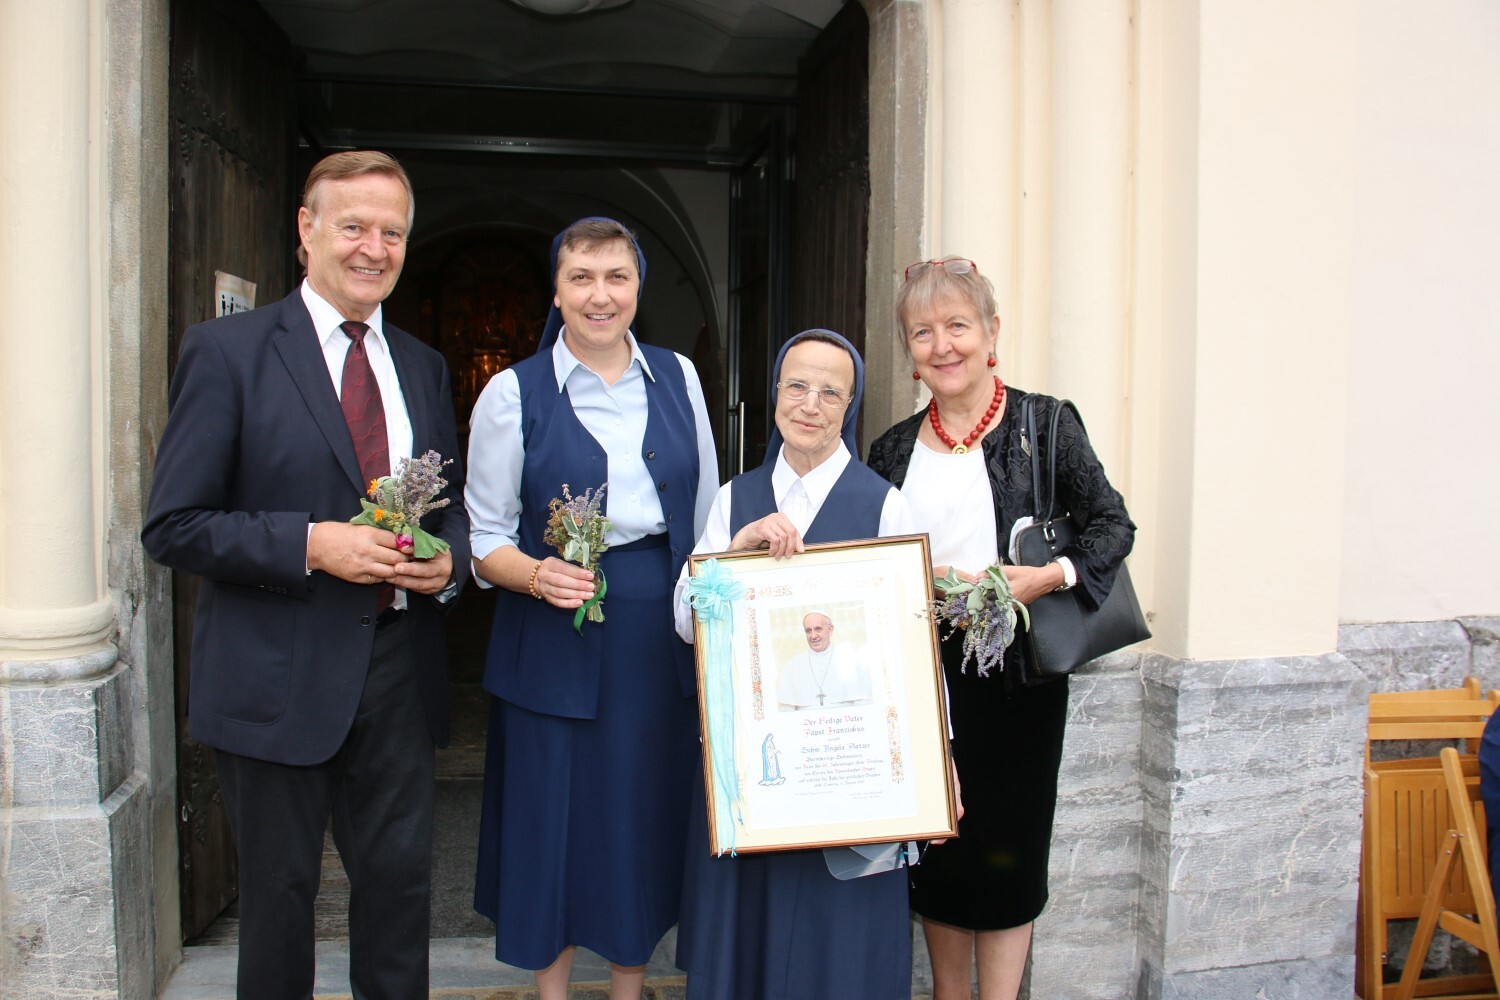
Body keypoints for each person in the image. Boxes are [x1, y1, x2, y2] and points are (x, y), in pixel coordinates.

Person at [142, 150, 471, 998]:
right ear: (307, 228)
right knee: (279, 907)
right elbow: (173, 524)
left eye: (392, 232)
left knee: (400, 900)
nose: (373, 248)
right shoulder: (227, 352)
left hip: (398, 671)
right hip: (274, 673)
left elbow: (451, 510)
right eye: (354, 226)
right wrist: (311, 545)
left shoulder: (423, 366)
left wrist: (449, 562)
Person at [867, 257, 1137, 1000]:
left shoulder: (1044, 425)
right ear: (909, 350)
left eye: (957, 325)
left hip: (1019, 680)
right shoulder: (890, 450)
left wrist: (1046, 578)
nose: (942, 345)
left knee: (1009, 856)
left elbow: (1113, 525)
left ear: (991, 333)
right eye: (922, 332)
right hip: (927, 679)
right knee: (940, 853)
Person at [465, 217, 718, 1000]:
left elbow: (706, 516)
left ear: (638, 287)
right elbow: (484, 537)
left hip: (656, 631)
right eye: (581, 277)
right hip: (548, 630)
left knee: (636, 814)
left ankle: (627, 989)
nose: (599, 295)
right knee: (553, 821)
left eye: (616, 277)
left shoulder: (679, 377)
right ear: (557, 291)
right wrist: (536, 577)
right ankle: (552, 993)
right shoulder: (512, 393)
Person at [674, 329, 920, 1000]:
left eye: (830, 392)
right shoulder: (734, 499)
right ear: (776, 393)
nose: (810, 405)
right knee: (748, 944)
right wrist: (731, 556)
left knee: (840, 951)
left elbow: (910, 645)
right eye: (797, 386)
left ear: (851, 405)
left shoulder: (885, 505)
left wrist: (939, 757)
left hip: (852, 774)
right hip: (755, 774)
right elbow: (686, 622)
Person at [776, 610, 872, 710]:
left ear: (830, 630)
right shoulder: (792, 667)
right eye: (808, 631)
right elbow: (786, 711)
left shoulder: (852, 663)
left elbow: (864, 707)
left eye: (818, 629)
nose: (813, 636)